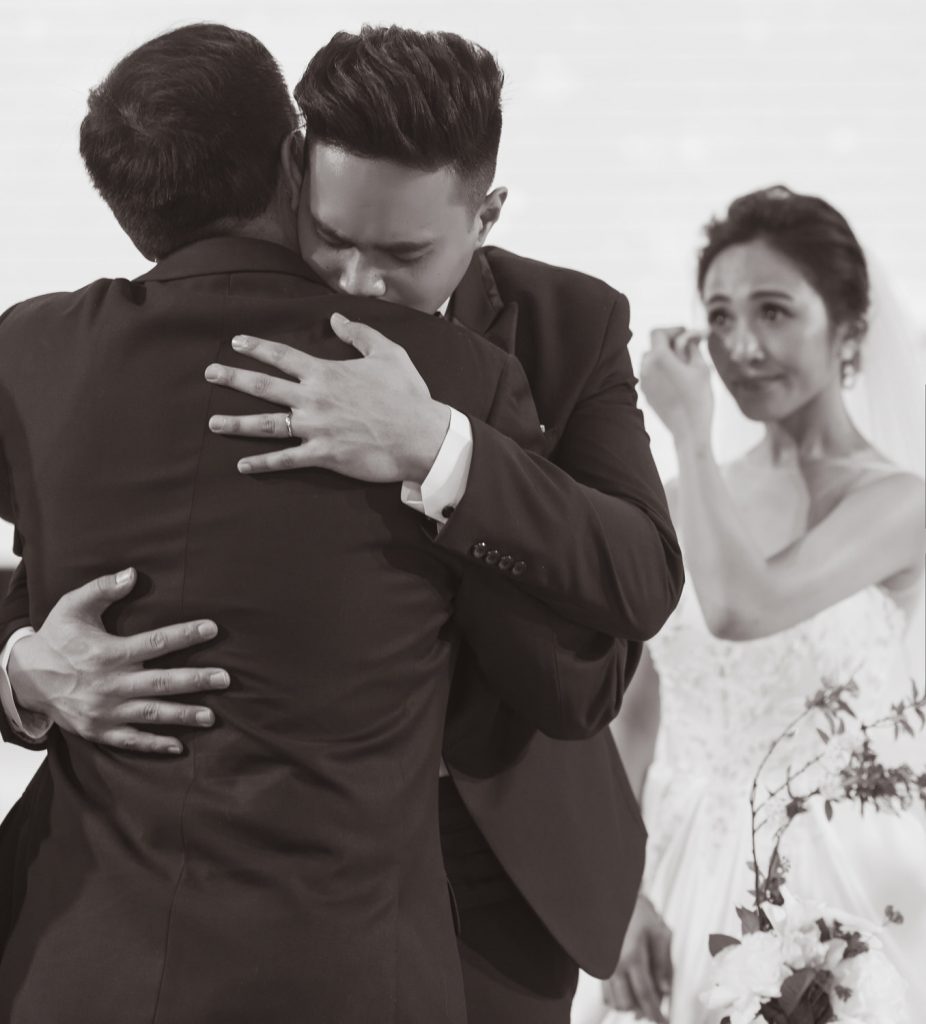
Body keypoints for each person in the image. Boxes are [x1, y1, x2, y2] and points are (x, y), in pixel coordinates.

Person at [0, 26, 684, 1023]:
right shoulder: (151, 337)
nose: (358, 284)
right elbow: (90, 547)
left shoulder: (566, 324)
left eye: (403, 254)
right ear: (294, 171)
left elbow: (635, 576)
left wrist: (440, 449)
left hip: (498, 865)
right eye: (331, 237)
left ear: (484, 214)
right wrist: (23, 664)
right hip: (216, 890)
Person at [579, 186, 926, 1024]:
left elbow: (740, 609)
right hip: (672, 863)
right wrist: (617, 890)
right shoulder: (681, 499)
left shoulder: (900, 502)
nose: (740, 347)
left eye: (774, 312)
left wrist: (688, 433)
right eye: (720, 317)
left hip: (834, 877)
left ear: (848, 328)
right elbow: (633, 714)